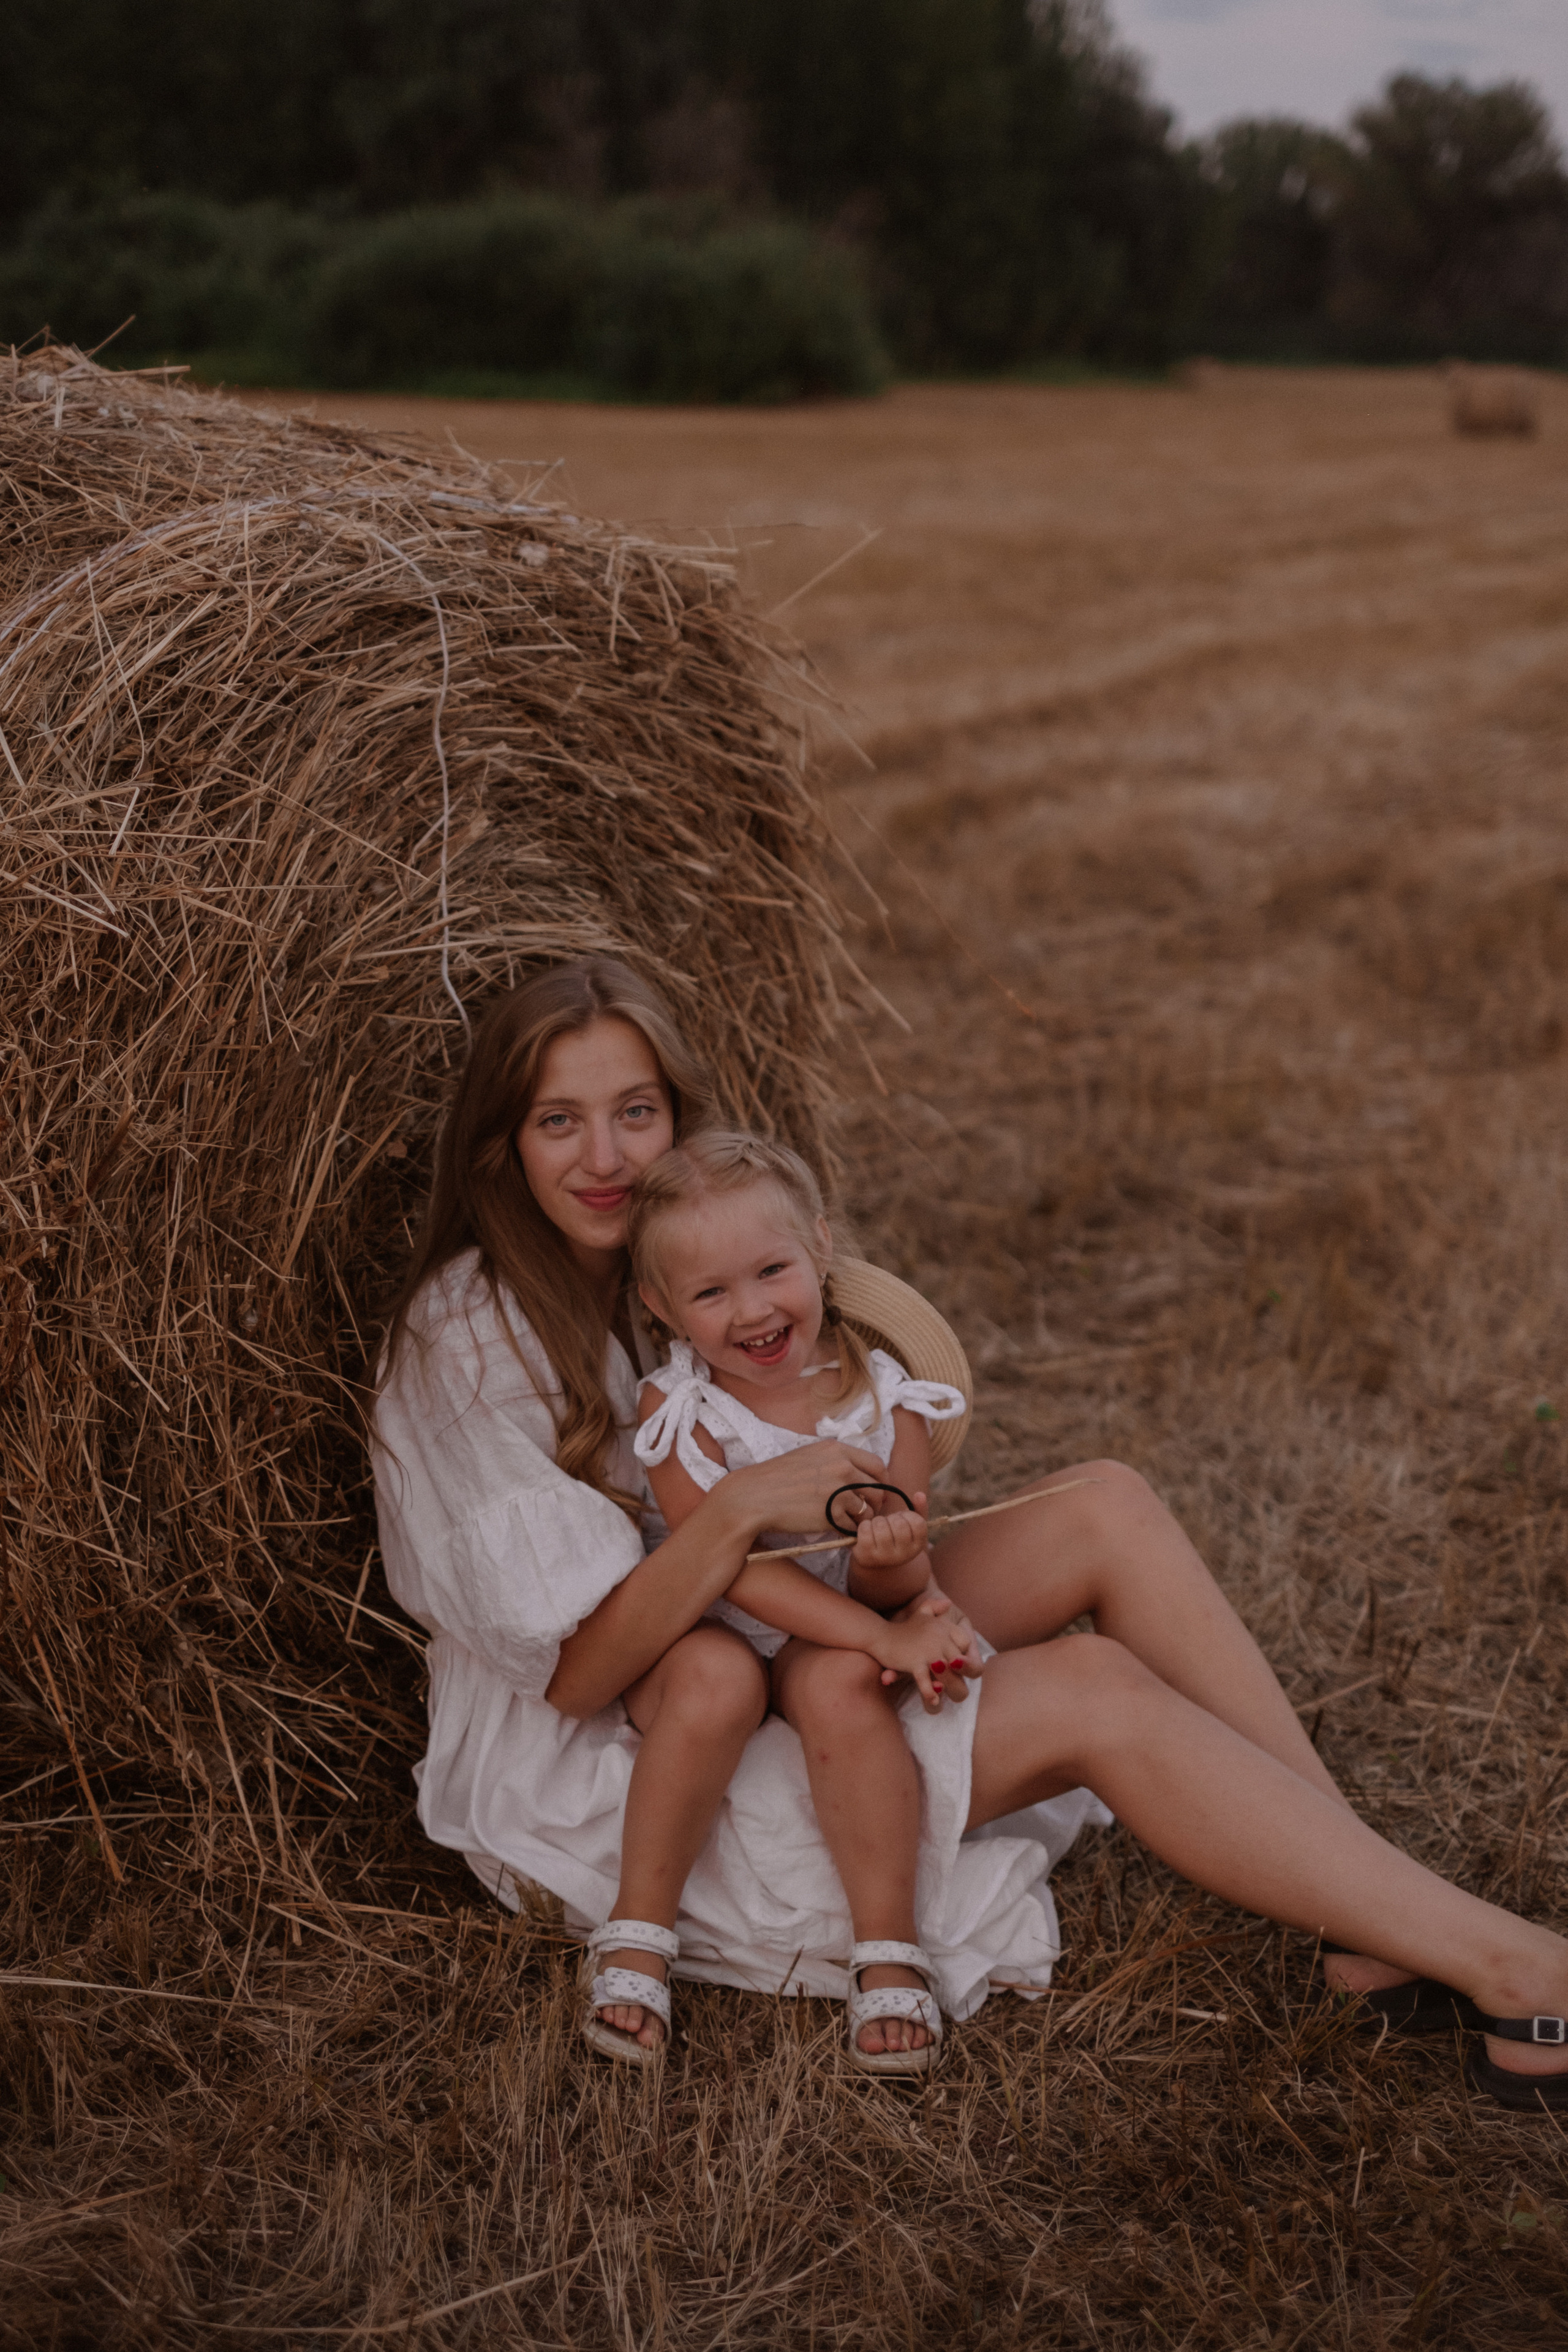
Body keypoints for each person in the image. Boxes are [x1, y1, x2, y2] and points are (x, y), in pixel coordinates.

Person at [374, 954, 1568, 2112]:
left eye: (635, 1111)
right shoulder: (469, 1337)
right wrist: (745, 1506)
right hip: (652, 1733)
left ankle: (1368, 1920)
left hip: (787, 1628)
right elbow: (580, 1679)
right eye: (559, 1122)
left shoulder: (686, 1258)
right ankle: (1518, 1971)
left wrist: (888, 1560)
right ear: (502, 1145)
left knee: (1104, 1503)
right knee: (1093, 1688)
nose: (607, 1158)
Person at [615, 1128, 978, 2073]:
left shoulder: (886, 1400)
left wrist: (897, 1569)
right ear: (660, 1306)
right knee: (714, 1677)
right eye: (710, 1293)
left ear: (819, 1246)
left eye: (771, 1270)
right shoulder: (679, 1412)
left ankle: (886, 1946)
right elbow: (727, 1567)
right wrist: (881, 1637)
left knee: (838, 1684)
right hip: (717, 1624)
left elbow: (893, 1576)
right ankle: (639, 1930)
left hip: (829, 1630)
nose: (752, 1310)